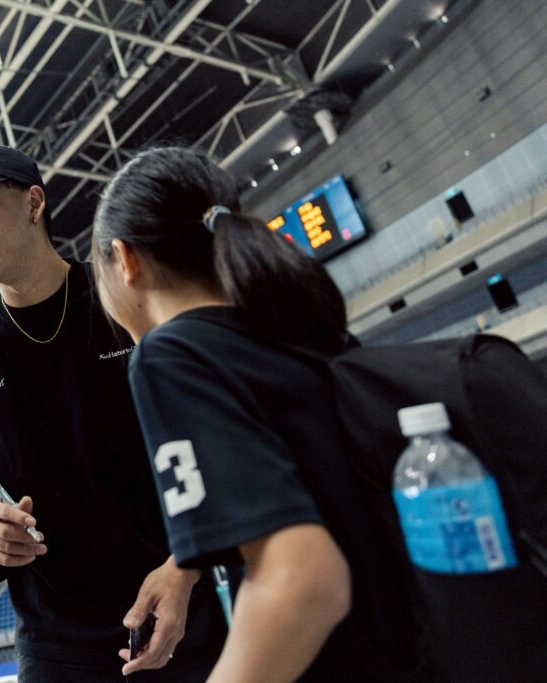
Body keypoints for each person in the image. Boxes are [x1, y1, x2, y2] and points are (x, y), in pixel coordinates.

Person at [90, 147, 426, 682]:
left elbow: (303, 580)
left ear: (125, 261)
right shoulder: (292, 329)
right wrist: (186, 564)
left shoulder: (169, 354)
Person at [0, 145, 227, 681]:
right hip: (54, 640)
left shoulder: (126, 301)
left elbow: (211, 441)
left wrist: (186, 567)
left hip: (174, 605)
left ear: (34, 204)